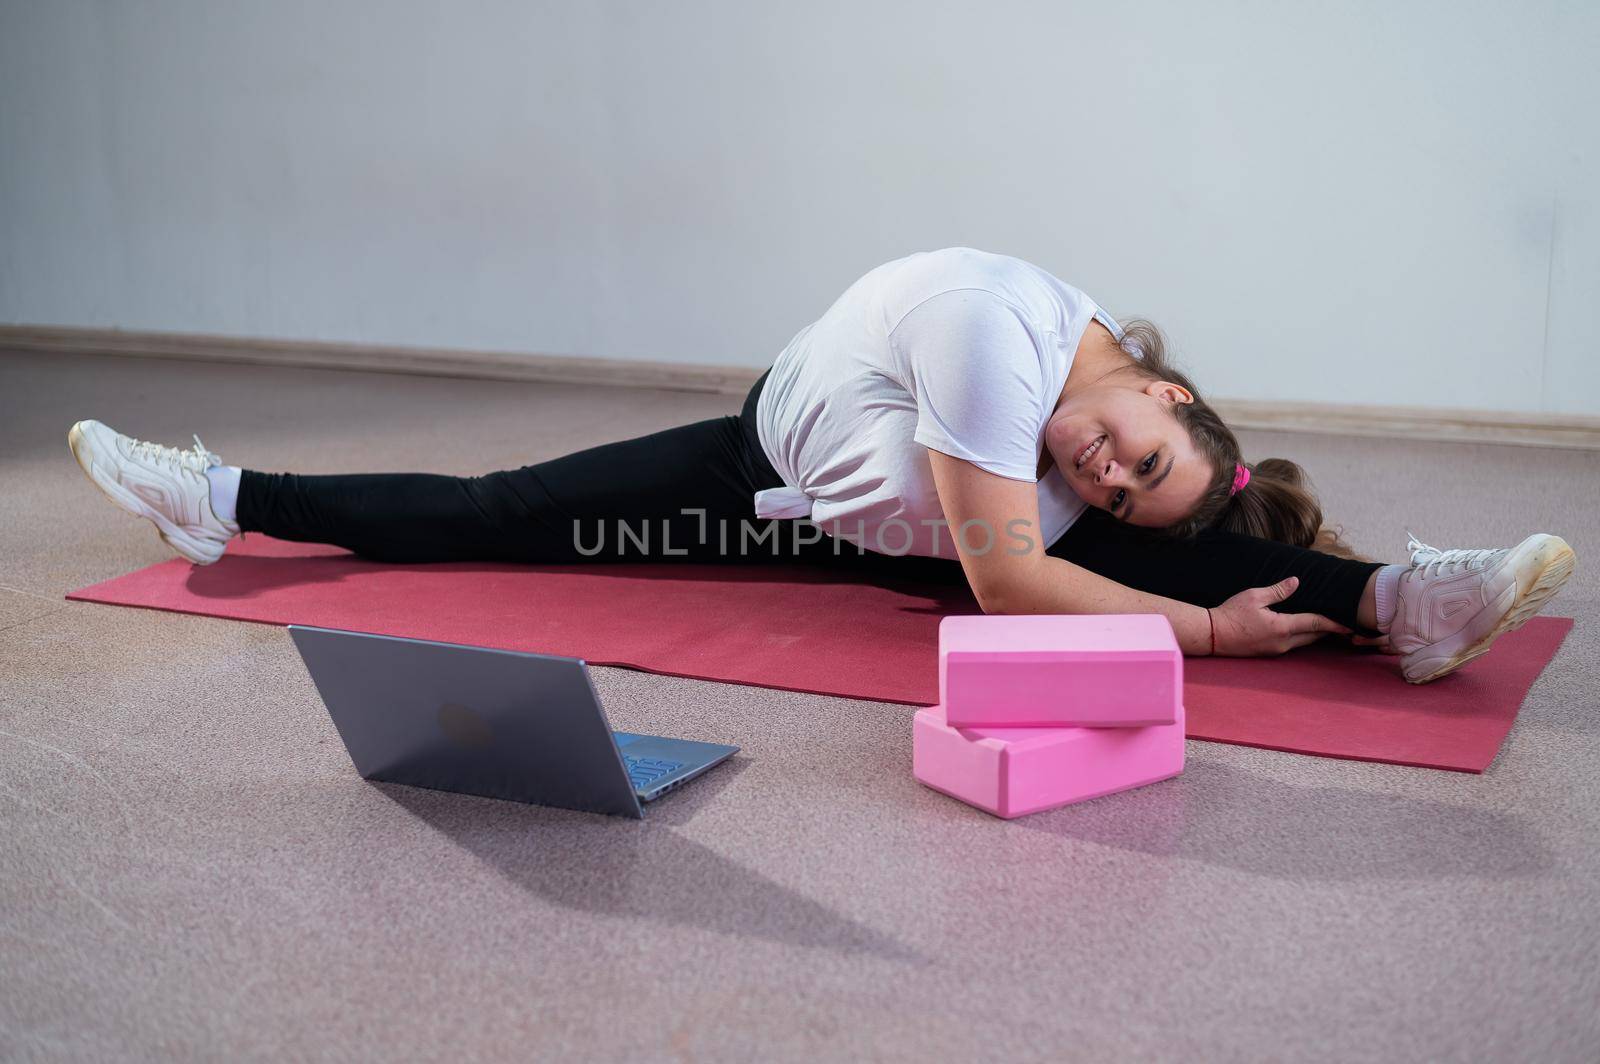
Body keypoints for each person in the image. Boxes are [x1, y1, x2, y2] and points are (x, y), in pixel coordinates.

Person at [66, 247, 1575, 684]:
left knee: (1150, 549)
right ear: (1167, 386)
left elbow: (1040, 556)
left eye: (1117, 482)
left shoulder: (1073, 403)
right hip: (766, 482)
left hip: (886, 523)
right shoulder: (1007, 338)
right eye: (1139, 449)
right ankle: (214, 497)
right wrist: (1199, 631)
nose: (1107, 469)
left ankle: (1398, 603)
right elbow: (1002, 580)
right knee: (508, 513)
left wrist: (1194, 587)